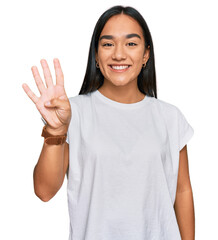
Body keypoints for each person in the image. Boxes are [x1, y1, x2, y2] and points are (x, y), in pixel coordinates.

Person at [22, 5, 195, 240]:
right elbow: (44, 191)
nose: (119, 54)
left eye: (131, 43)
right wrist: (56, 130)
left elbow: (182, 190)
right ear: (96, 54)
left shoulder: (170, 117)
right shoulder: (73, 112)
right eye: (108, 44)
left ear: (146, 54)